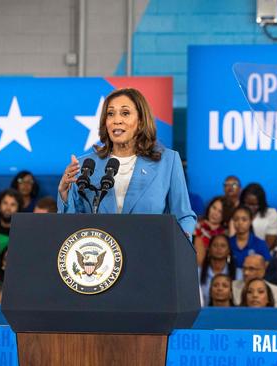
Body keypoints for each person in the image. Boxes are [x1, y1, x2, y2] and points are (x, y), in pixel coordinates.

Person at [57, 88, 196, 234]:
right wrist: (65, 195)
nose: (117, 120)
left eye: (125, 113)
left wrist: (179, 248)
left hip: (150, 253)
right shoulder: (86, 165)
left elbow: (184, 217)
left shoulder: (168, 161)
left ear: (141, 121)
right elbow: (72, 226)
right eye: (110, 114)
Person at [199, 234, 236, 306]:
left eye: (223, 246)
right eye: (215, 245)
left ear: (229, 250)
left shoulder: (238, 273)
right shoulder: (197, 273)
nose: (219, 248)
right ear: (209, 249)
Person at [240, 183, 277, 249]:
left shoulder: (271, 213)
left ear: (261, 203)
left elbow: (268, 245)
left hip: (263, 254)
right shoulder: (238, 213)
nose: (250, 208)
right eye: (247, 204)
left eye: (254, 205)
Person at [194, 196, 227, 265]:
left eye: (220, 211)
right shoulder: (195, 225)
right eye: (214, 208)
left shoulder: (225, 234)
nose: (215, 213)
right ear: (209, 207)